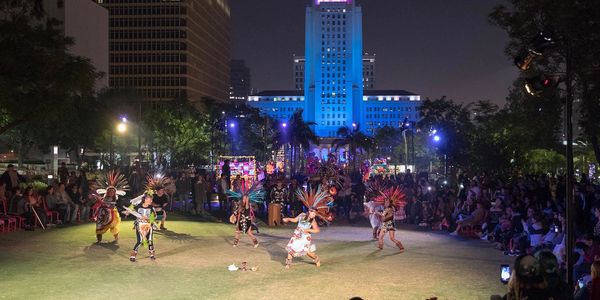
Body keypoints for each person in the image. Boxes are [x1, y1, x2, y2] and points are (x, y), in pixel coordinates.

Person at [282, 185, 333, 269]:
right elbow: (295, 220)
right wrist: (288, 219)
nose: (312, 214)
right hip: (297, 235)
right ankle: (288, 264)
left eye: (314, 213)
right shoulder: (302, 215)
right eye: (311, 212)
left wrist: (308, 230)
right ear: (309, 211)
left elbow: (317, 230)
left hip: (305, 237)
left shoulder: (313, 221)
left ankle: (316, 258)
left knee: (308, 252)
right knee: (290, 249)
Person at [92, 171, 129, 244]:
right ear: (107, 192)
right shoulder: (103, 198)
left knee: (113, 225)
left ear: (114, 193)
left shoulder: (114, 199)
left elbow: (109, 205)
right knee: (99, 226)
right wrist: (97, 199)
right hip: (102, 214)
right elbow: (101, 203)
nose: (111, 193)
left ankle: (116, 238)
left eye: (112, 192)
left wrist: (99, 200)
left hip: (112, 214)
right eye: (110, 191)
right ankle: (99, 240)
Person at [227, 184, 264, 248]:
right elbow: (237, 212)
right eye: (243, 199)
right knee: (238, 231)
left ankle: (256, 242)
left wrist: (247, 199)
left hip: (247, 220)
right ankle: (235, 243)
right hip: (240, 220)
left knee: (249, 232)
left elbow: (246, 205)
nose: (244, 200)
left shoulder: (248, 206)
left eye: (245, 199)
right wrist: (233, 215)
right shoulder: (240, 205)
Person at [125, 193, 157, 262]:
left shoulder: (151, 208)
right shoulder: (138, 206)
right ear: (144, 199)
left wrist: (148, 219)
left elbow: (154, 217)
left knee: (150, 240)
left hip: (148, 226)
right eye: (149, 199)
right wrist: (128, 212)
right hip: (139, 225)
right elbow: (129, 213)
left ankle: (152, 255)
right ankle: (133, 255)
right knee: (139, 241)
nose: (150, 201)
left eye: (151, 199)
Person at [374, 186, 406, 252]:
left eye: (387, 202)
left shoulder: (390, 208)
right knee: (380, 237)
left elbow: (383, 215)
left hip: (389, 224)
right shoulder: (387, 207)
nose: (385, 203)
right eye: (385, 202)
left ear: (389, 202)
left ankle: (401, 247)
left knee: (392, 238)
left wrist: (376, 212)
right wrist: (381, 192)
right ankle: (381, 246)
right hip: (386, 224)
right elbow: (386, 197)